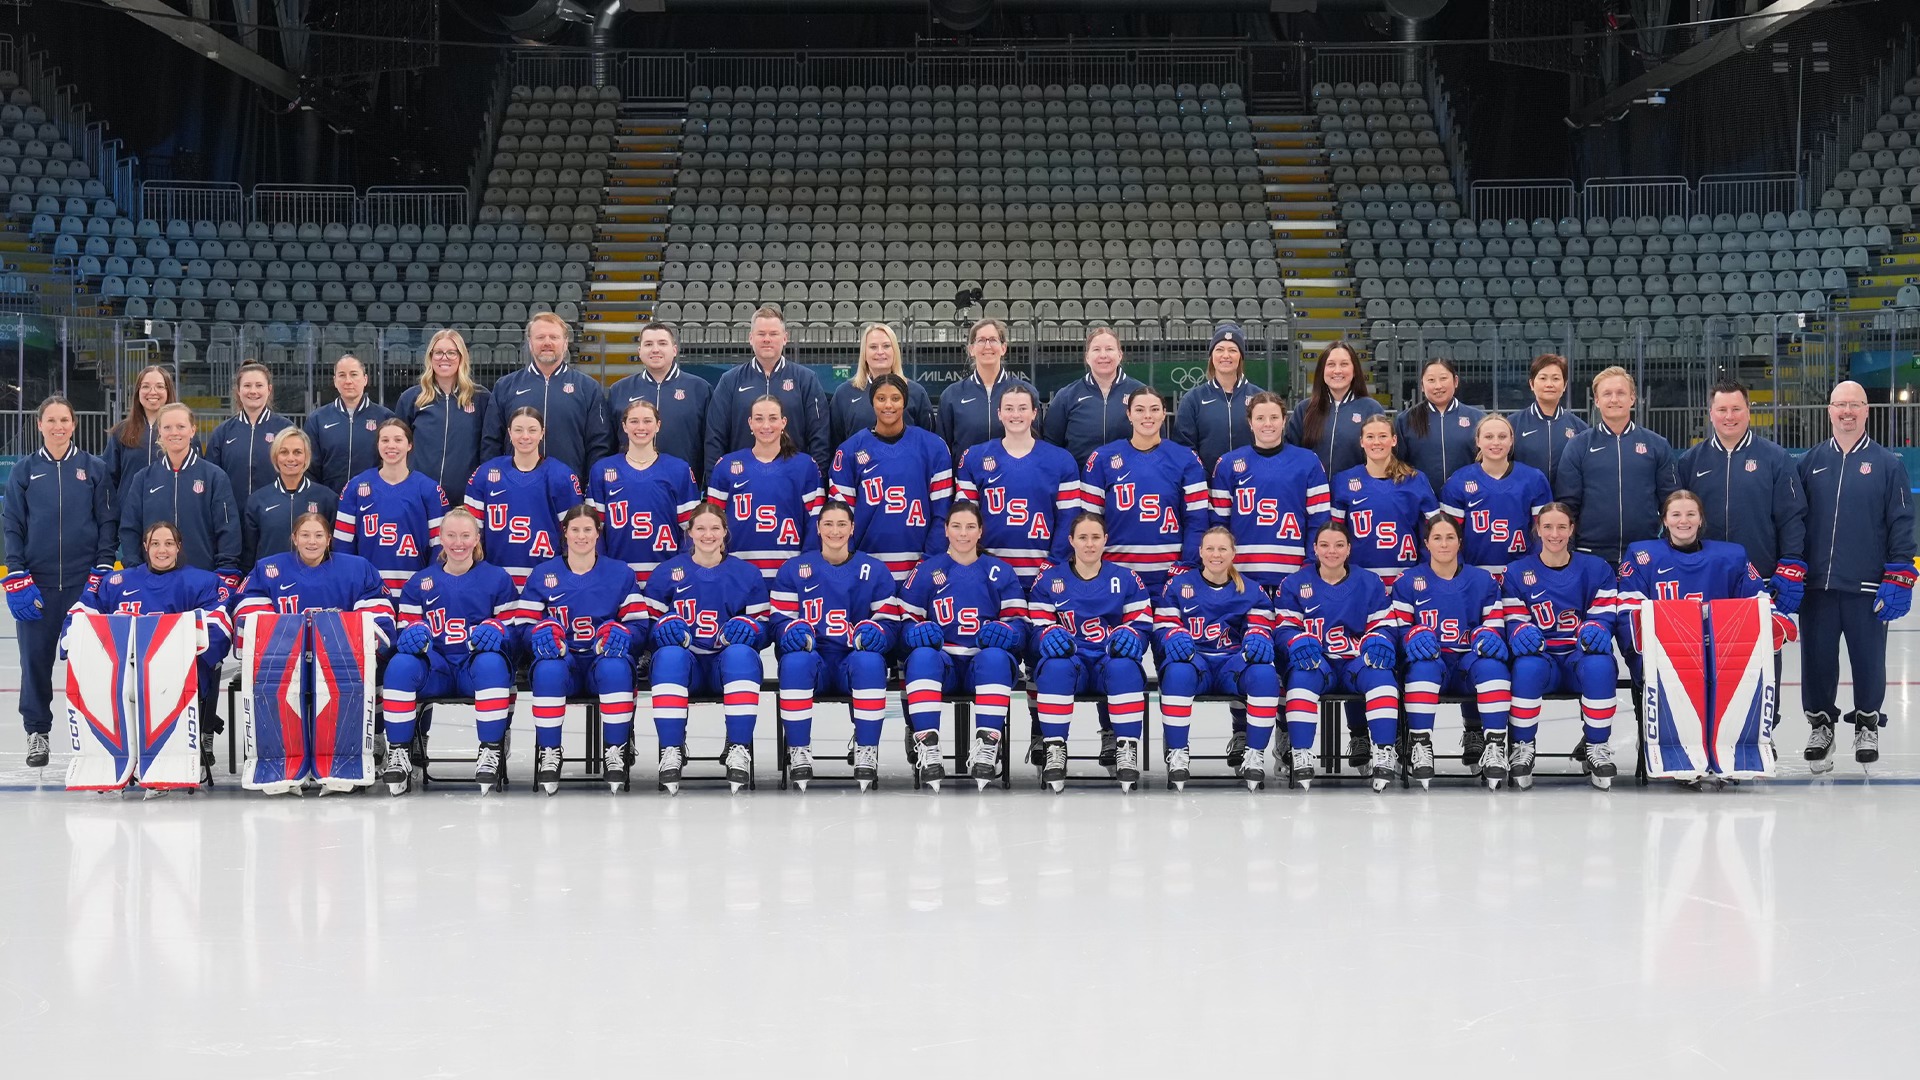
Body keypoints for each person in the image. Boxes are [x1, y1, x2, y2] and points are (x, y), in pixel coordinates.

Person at [1613, 490, 1799, 786]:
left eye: (1690, 514)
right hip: (1666, 654)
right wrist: (1646, 648)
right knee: (1679, 674)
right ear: (1664, 520)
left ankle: (1734, 745)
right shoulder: (1642, 556)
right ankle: (1676, 748)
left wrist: (1776, 618)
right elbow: (1628, 609)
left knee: (1746, 666)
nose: (1683, 521)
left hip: (1722, 652)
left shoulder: (1731, 556)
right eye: (1676, 514)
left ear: (1701, 519)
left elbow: (1757, 599)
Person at [1796, 381, 1914, 773]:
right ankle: (1821, 726)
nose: (1847, 411)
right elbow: (1794, 521)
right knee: (1816, 661)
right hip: (1818, 587)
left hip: (1867, 587)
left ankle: (1867, 724)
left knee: (1868, 662)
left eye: (1855, 405)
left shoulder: (1888, 464)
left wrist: (1900, 573)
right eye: (1840, 404)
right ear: (1829, 410)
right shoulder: (1809, 462)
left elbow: (1901, 522)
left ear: (1866, 411)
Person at [65, 522, 233, 784]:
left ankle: (175, 759)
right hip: (124, 674)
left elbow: (219, 626)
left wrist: (176, 652)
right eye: (155, 544)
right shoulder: (117, 583)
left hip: (176, 674)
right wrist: (72, 639)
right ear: (145, 546)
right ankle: (115, 759)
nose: (161, 550)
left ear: (178, 547)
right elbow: (82, 614)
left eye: (168, 544)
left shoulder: (202, 582)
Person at [4, 395, 115, 769]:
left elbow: (107, 523)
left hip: (84, 586)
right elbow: (12, 526)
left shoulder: (94, 469)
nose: (58, 426)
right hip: (38, 586)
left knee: (91, 666)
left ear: (74, 424)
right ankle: (37, 732)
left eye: (64, 420)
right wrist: (16, 574)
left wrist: (102, 568)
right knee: (35, 663)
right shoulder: (24, 471)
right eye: (50, 420)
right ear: (39, 425)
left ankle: (97, 735)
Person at [378, 507, 520, 796]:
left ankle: (491, 749)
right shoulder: (419, 582)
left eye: (465, 536)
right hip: (437, 669)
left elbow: (514, 634)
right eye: (451, 535)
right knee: (400, 665)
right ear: (440, 538)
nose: (458, 543)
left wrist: (499, 630)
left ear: (477, 538)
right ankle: (399, 752)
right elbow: (405, 632)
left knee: (493, 663)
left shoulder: (497, 579)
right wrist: (411, 635)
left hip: (473, 669)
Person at [894, 502, 1028, 790]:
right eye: (956, 526)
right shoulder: (926, 571)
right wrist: (914, 633)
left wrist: (1007, 633)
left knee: (995, 657)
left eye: (970, 527)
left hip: (982, 666)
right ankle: (928, 747)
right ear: (946, 530)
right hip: (944, 666)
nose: (963, 533)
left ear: (980, 531)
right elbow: (903, 626)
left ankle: (987, 746)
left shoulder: (1000, 571)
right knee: (922, 657)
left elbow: (1020, 627)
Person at [515, 505, 647, 795]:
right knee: (548, 669)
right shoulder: (543, 573)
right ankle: (549, 751)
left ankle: (616, 750)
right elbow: (523, 628)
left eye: (588, 529)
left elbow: (639, 627)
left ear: (598, 533)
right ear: (564, 533)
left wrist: (622, 635)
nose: (581, 536)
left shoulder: (620, 573)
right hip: (565, 663)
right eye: (575, 529)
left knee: (616, 666)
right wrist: (539, 635)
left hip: (602, 661)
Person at [642, 501, 772, 794]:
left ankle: (738, 747)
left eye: (715, 528)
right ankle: (671, 749)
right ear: (689, 532)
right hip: (685, 668)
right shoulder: (667, 572)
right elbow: (645, 628)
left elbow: (765, 628)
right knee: (669, 656)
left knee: (741, 654)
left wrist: (752, 629)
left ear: (725, 532)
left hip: (723, 668)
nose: (708, 534)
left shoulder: (747, 574)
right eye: (700, 528)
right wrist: (660, 629)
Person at [768, 501, 898, 790]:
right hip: (814, 663)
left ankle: (866, 749)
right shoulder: (793, 570)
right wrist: (790, 631)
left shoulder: (874, 570)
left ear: (852, 528)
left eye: (842, 524)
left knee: (870, 661)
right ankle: (798, 750)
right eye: (828, 524)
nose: (835, 531)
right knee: (795, 660)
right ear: (818, 528)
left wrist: (878, 633)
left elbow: (890, 625)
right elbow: (777, 623)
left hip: (851, 662)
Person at [1026, 513, 1153, 791]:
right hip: (1074, 665)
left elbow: (1142, 627)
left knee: (1125, 666)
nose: (1089, 544)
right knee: (1055, 665)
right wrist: (1047, 635)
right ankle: (1054, 748)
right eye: (1083, 537)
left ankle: (1126, 748)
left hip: (1107, 662)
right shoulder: (1049, 579)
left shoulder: (1126, 578)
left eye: (1096, 537)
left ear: (1105, 540)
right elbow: (1035, 630)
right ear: (1071, 540)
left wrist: (1132, 636)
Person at [1501, 503, 1623, 790]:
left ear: (1571, 530)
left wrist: (1598, 628)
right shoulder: (1517, 572)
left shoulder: (1596, 568)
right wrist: (1520, 630)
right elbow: (1512, 619)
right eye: (1548, 527)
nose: (1554, 534)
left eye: (1561, 527)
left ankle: (1596, 745)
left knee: (1600, 664)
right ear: (1537, 530)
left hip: (1578, 659)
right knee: (1526, 667)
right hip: (1543, 661)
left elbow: (1604, 616)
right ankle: (1522, 746)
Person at [1152, 527, 1282, 788]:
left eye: (1223, 549)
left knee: (1265, 674)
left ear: (1233, 553)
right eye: (1210, 548)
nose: (1216, 554)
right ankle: (1177, 752)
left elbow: (1261, 627)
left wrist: (1258, 636)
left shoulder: (1251, 589)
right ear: (1200, 552)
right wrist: (1172, 635)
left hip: (1230, 665)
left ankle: (1254, 754)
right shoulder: (1178, 585)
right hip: (1195, 661)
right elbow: (1163, 626)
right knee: (1177, 672)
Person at [1272, 521, 1399, 790]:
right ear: (1315, 548)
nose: (1332, 551)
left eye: (1339, 545)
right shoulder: (1294, 583)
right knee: (1302, 676)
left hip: (1356, 662)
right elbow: (1283, 630)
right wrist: (1296, 641)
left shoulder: (1369, 582)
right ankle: (1301, 752)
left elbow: (1385, 626)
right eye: (1325, 545)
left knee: (1382, 675)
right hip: (1319, 663)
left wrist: (1379, 639)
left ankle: (1384, 753)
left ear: (1349, 549)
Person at [1390, 514, 1513, 790]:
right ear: (1426, 543)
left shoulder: (1483, 581)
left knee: (1493, 666)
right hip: (1433, 663)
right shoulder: (1407, 581)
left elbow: (1494, 627)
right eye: (1437, 538)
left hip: (1468, 663)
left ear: (1460, 542)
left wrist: (1487, 636)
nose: (1444, 544)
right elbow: (1399, 631)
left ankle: (1494, 746)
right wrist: (1412, 636)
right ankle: (1420, 744)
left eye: (1449, 538)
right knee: (1421, 667)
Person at [1675, 381, 1807, 606]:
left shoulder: (1775, 458)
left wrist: (1791, 562)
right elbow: (1677, 519)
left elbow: (1791, 516)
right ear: (1711, 414)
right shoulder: (1690, 461)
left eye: (1736, 409)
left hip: (1759, 579)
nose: (1729, 416)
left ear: (1748, 412)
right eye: (1722, 410)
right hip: (1703, 579)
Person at [1079, 387, 1209, 594]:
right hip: (1116, 571)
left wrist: (1188, 564)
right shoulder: (1102, 459)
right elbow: (1089, 522)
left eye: (1154, 409)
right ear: (1129, 414)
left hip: (1170, 571)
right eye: (1139, 410)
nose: (1147, 415)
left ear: (1164, 413)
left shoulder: (1185, 459)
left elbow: (1197, 521)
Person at [829, 373, 953, 580]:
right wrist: (851, 561)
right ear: (872, 402)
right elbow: (840, 517)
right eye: (881, 398)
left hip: (921, 564)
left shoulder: (934, 448)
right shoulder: (849, 450)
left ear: (905, 401)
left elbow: (943, 514)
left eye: (895, 398)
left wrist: (930, 560)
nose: (888, 405)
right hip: (865, 566)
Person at [953, 385, 1079, 581]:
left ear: (1034, 413)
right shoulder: (974, 457)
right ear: (999, 414)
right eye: (1009, 408)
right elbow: (964, 518)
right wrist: (975, 561)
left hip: (1042, 569)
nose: (1016, 414)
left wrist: (1054, 563)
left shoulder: (1061, 460)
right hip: (988, 569)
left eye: (1022, 408)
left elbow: (1069, 520)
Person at [1556, 365, 1678, 566]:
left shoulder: (1657, 445)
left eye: (1621, 393)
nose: (1614, 399)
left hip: (1645, 553)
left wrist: (1666, 546)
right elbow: (1567, 506)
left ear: (1632, 398)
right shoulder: (1578, 445)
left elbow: (1671, 502)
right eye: (1607, 394)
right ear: (1597, 401)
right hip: (1591, 555)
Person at [1209, 390, 1331, 589]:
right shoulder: (1228, 464)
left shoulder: (1308, 462)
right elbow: (1219, 524)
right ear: (1250, 423)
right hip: (1241, 573)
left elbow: (1319, 521)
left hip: (1294, 571)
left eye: (1274, 417)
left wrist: (1311, 564)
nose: (1268, 424)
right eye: (1260, 418)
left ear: (1284, 421)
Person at [118, 403, 241, 588]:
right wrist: (136, 569)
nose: (174, 432)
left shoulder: (214, 476)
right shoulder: (143, 478)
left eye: (181, 426)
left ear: (192, 430)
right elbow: (130, 528)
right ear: (159, 431)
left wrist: (225, 571)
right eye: (167, 427)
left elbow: (228, 529)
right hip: (153, 582)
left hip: (201, 579)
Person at [587, 397, 701, 590]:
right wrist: (603, 570)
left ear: (658, 425)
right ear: (624, 426)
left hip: (667, 574)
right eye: (634, 421)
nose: (641, 427)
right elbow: (594, 532)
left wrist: (681, 569)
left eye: (647, 421)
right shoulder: (602, 470)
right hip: (616, 575)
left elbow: (691, 530)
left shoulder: (678, 469)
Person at [705, 305, 831, 477]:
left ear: (785, 338)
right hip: (741, 478)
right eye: (761, 334)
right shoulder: (730, 381)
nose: (767, 339)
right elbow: (715, 436)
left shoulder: (806, 379)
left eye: (773, 334)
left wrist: (817, 479)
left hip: (794, 478)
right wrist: (715, 479)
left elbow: (820, 436)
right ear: (751, 338)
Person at [706, 395, 824, 579]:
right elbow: (711, 523)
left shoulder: (805, 466)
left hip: (789, 569)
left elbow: (815, 523)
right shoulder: (725, 466)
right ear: (750, 423)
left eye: (773, 418)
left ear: (784, 422)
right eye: (759, 419)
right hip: (737, 571)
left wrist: (806, 564)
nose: (766, 426)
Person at [480, 313, 611, 477]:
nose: (547, 343)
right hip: (516, 486)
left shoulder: (588, 388)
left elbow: (599, 444)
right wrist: (494, 481)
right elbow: (491, 442)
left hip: (569, 487)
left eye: (554, 337)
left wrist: (592, 485)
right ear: (530, 343)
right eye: (540, 337)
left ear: (565, 343)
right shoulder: (505, 386)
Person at [466, 407, 584, 588]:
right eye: (518, 430)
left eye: (532, 430)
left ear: (542, 433)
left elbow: (575, 536)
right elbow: (470, 535)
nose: (525, 436)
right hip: (494, 578)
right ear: (509, 433)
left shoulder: (561, 476)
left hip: (548, 579)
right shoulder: (485, 474)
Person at [331, 418, 447, 594]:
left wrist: (429, 586)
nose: (391, 445)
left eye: (398, 440)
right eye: (385, 440)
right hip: (368, 589)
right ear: (377, 445)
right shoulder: (355, 488)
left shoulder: (429, 490)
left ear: (409, 445)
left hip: (416, 589)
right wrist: (353, 584)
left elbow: (440, 546)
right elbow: (343, 546)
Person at [1330, 414, 1438, 589]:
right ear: (1361, 442)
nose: (1376, 442)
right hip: (1358, 579)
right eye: (1370, 437)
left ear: (1394, 440)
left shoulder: (1415, 480)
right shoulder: (1343, 481)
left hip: (1406, 577)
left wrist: (1426, 573)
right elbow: (1334, 535)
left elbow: (1433, 533)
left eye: (1382, 436)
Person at [1439, 414, 1554, 580]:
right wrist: (1462, 574)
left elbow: (1545, 533)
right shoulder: (1458, 481)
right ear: (1478, 441)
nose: (1496, 442)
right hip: (1474, 575)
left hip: (1522, 575)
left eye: (1502, 437)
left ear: (1511, 440)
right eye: (1488, 437)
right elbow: (1448, 537)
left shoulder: (1533, 479)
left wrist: (1533, 568)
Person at [604, 322, 711, 484]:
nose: (655, 349)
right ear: (639, 351)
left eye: (662, 343)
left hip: (682, 485)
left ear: (674, 350)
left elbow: (710, 442)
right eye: (648, 344)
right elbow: (609, 442)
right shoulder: (619, 390)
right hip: (628, 484)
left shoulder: (700, 389)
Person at [396, 329, 492, 502]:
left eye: (451, 353)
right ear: (430, 357)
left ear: (461, 357)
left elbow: (489, 446)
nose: (444, 358)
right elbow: (399, 446)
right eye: (438, 352)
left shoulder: (481, 398)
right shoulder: (411, 398)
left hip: (465, 499)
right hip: (418, 497)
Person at [936, 318, 1039, 461]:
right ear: (971, 349)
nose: (987, 346)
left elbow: (1037, 442)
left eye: (993, 340)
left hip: (1014, 473)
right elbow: (942, 448)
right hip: (967, 475)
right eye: (981, 340)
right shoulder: (952, 395)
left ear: (1003, 348)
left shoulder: (1026, 392)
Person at [1045, 326, 1147, 463]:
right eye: (1096, 349)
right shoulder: (1067, 396)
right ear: (1087, 357)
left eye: (1109, 349)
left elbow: (1155, 439)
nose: (1103, 355)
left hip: (1129, 474)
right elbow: (1051, 444)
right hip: (1080, 475)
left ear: (1120, 355)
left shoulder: (1140, 393)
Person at [1173, 322, 1265, 474]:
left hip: (1252, 482)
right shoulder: (1193, 399)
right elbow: (1184, 448)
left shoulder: (1260, 398)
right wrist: (1200, 477)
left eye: (1232, 350)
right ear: (1212, 356)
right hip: (1207, 484)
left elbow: (1269, 441)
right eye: (1220, 349)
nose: (1226, 355)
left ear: (1241, 356)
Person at [1285, 340, 1384, 480]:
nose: (1337, 371)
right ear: (1322, 371)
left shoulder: (1371, 409)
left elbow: (1382, 458)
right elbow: (1290, 456)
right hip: (1313, 491)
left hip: (1358, 491)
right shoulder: (1304, 409)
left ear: (1354, 370)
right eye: (1331, 364)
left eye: (1344, 364)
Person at [242, 429, 338, 570]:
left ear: (307, 456)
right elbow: (249, 553)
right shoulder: (257, 500)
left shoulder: (327, 498)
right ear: (275, 457)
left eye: (297, 452)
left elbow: (335, 548)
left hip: (315, 578)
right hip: (271, 579)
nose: (291, 458)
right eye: (284, 452)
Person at [103, 365, 198, 507]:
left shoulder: (183, 432)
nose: (152, 392)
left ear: (168, 391)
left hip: (171, 513)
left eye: (159, 386)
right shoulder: (122, 431)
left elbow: (196, 476)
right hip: (130, 513)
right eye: (146, 386)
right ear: (138, 391)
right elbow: (108, 479)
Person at [829, 322, 936, 448]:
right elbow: (835, 443)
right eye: (873, 347)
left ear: (894, 351)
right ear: (864, 353)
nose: (880, 352)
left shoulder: (916, 392)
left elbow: (929, 441)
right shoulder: (844, 393)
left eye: (886, 346)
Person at [304, 353, 395, 492]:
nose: (348, 381)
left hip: (374, 499)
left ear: (365, 379)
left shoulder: (385, 418)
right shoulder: (317, 419)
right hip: (330, 500)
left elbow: (394, 462)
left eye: (354, 374)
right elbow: (309, 468)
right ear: (335, 381)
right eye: (342, 375)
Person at [1393, 357, 1483, 497]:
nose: (1438, 386)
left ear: (1455, 381)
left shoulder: (1477, 418)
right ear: (1422, 385)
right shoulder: (1405, 420)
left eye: (1443, 378)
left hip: (1468, 499)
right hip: (1421, 501)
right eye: (1431, 380)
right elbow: (1398, 465)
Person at [204, 362, 292, 503]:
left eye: (259, 385)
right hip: (232, 511)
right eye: (247, 385)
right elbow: (210, 477)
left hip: (274, 509)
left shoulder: (285, 429)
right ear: (238, 390)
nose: (253, 391)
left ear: (269, 389)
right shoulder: (223, 432)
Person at [1506, 353, 1587, 491]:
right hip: (1524, 500)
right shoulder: (1512, 424)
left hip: (1565, 502)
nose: (1549, 384)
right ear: (1531, 384)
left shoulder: (1580, 428)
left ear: (1565, 385)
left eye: (1556, 379)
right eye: (1543, 378)